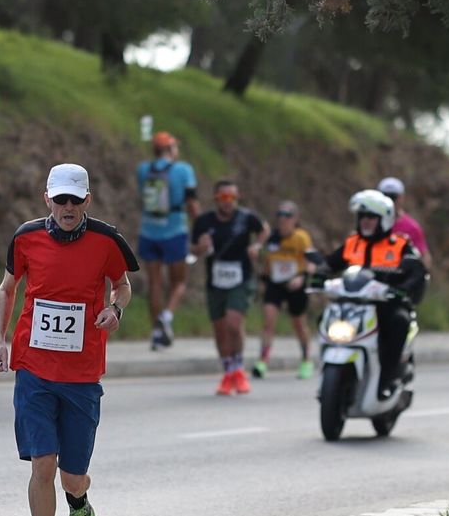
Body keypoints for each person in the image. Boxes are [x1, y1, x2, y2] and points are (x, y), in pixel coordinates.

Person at [0, 163, 138, 516]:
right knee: (42, 464)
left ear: (87, 200)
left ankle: (78, 498)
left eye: (75, 200)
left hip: (82, 374)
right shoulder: (26, 237)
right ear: (47, 199)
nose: (67, 207)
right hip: (34, 370)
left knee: (72, 474)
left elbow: (122, 285)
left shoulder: (106, 241)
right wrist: (0, 342)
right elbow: (6, 288)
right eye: (60, 199)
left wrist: (116, 308)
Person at [324, 190, 426, 399]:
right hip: (353, 303)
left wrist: (404, 287)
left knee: (399, 321)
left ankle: (389, 378)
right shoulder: (352, 243)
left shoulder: (399, 245)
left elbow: (417, 271)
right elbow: (328, 265)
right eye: (362, 217)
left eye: (371, 217)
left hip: (387, 304)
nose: (365, 222)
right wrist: (315, 273)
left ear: (384, 219)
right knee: (325, 318)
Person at [191, 181, 268, 395]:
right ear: (216, 198)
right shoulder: (204, 221)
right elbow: (193, 250)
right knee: (220, 328)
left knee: (234, 323)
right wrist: (201, 247)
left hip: (241, 278)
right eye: (224, 198)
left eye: (232, 198)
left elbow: (264, 230)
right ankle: (227, 373)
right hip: (216, 280)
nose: (228, 202)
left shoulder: (246, 218)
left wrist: (256, 246)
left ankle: (238, 369)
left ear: (237, 198)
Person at [135, 131, 199, 350]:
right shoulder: (183, 170)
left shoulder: (143, 170)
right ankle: (167, 316)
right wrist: (200, 226)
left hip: (148, 230)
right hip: (175, 230)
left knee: (155, 283)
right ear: (171, 149)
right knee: (179, 282)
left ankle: (156, 334)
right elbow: (192, 203)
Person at [254, 201, 316, 380]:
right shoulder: (272, 238)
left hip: (295, 283)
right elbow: (266, 260)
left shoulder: (301, 237)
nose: (283, 220)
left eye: (287, 216)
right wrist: (264, 278)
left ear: (295, 219)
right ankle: (262, 360)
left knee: (298, 323)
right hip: (275, 283)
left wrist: (302, 277)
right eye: (280, 215)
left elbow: (311, 262)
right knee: (268, 321)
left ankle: (306, 360)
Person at [377, 176, 431, 263]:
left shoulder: (411, 227)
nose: (389, 201)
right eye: (385, 196)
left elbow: (424, 256)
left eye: (393, 197)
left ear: (401, 198)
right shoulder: (369, 221)